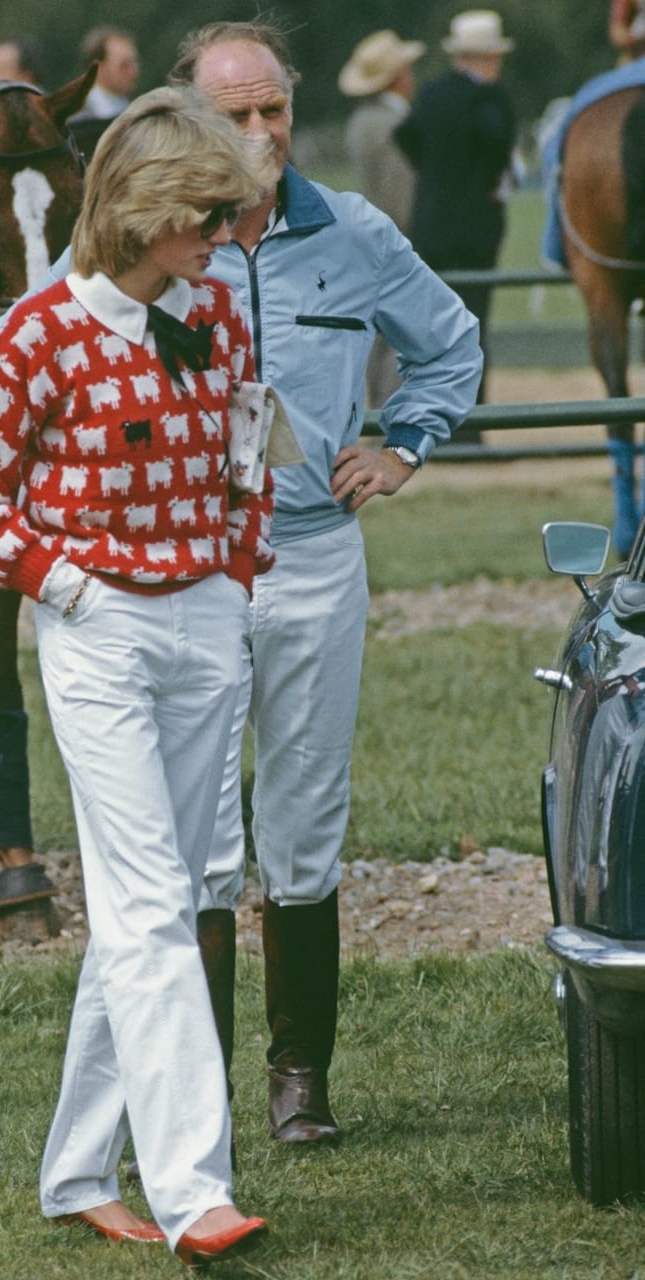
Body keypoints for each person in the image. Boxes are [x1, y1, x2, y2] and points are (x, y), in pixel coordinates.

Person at [0, 86, 275, 1265]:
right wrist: (68, 587)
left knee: (157, 907)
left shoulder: (218, 311)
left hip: (206, 625)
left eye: (230, 216)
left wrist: (235, 567)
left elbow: (245, 448)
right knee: (146, 910)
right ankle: (193, 1190)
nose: (223, 237)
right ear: (139, 211)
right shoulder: (35, 333)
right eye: (206, 215)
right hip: (100, 634)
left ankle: (79, 1168)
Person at [164, 20, 482, 1147]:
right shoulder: (147, 240)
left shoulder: (352, 231)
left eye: (274, 110)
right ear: (190, 117)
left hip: (313, 555)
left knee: (305, 816)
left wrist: (404, 442)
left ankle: (301, 1076)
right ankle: (188, 1085)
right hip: (187, 566)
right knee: (193, 827)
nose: (259, 132)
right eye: (235, 113)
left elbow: (451, 343)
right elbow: (52, 336)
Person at [394, 10, 516, 406]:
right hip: (476, 231)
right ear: (486, 58)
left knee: (434, 325)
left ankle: (432, 411)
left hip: (430, 225)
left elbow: (405, 135)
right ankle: (471, 420)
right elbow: (500, 150)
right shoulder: (491, 100)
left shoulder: (430, 93)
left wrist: (435, 179)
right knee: (473, 323)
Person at [339, 29, 425, 405]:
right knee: (396, 331)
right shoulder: (392, 125)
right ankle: (390, 412)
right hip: (395, 236)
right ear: (398, 77)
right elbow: (400, 195)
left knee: (377, 331)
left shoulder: (364, 120)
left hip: (369, 235)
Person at [76, 25, 140, 118]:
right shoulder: (79, 116)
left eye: (134, 63)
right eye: (124, 65)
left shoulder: (130, 110)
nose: (134, 72)